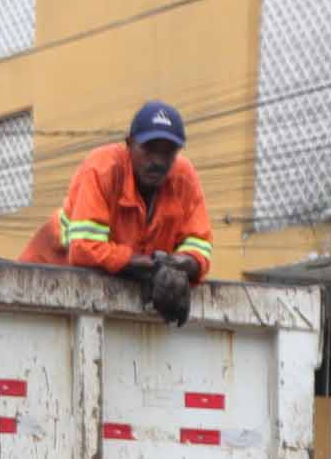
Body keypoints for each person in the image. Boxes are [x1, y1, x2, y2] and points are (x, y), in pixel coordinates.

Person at [20, 98, 213, 322]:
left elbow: (199, 246)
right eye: (149, 149)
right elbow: (85, 249)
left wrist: (178, 268)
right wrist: (155, 268)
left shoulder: (184, 177)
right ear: (129, 144)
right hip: (38, 283)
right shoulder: (103, 168)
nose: (158, 161)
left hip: (97, 296)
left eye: (168, 152)